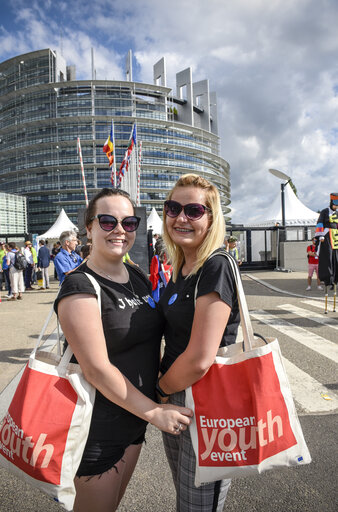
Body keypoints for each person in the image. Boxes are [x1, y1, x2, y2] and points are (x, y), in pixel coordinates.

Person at [55, 187, 192, 512]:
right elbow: (96, 368)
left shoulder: (136, 276)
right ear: (88, 228)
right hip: (97, 430)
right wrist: (155, 411)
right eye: (107, 221)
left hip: (134, 419)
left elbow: (149, 339)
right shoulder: (80, 286)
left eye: (128, 222)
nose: (119, 229)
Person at [157, 173, 240, 511]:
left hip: (206, 401)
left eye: (194, 210)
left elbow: (200, 359)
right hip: (178, 397)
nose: (181, 218)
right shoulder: (180, 266)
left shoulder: (215, 265)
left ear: (211, 218)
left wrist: (160, 390)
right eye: (173, 208)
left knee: (198, 506)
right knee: (186, 498)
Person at [314, 192, 338, 289]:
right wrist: (320, 236)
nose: (336, 207)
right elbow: (320, 223)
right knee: (328, 257)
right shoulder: (325, 211)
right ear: (331, 204)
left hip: (336, 236)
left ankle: (335, 280)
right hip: (327, 235)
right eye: (335, 205)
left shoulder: (337, 213)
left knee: (336, 258)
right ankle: (329, 279)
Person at [149, 237, 172, 302]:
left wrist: (152, 287)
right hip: (169, 282)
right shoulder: (170, 257)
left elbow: (154, 274)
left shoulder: (156, 258)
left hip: (159, 284)